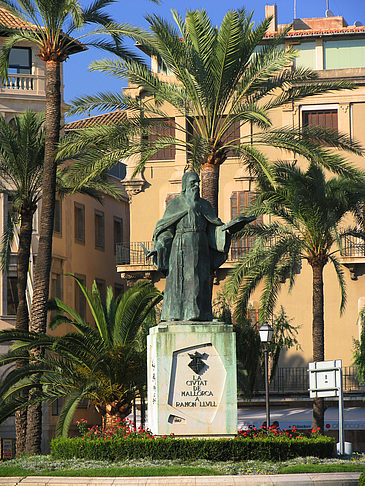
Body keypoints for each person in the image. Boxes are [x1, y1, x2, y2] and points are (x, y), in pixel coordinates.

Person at [147, 171, 254, 322]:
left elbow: (214, 229)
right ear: (185, 186)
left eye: (198, 182)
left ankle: (203, 314)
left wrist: (229, 229)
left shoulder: (205, 205)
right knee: (183, 282)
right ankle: (178, 314)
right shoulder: (175, 204)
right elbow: (166, 230)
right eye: (193, 183)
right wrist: (159, 246)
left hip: (202, 246)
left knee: (201, 281)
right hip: (181, 248)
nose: (197, 186)